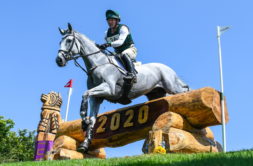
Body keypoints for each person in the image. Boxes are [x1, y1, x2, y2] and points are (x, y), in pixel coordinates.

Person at [99, 9, 137, 82]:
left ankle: (132, 75)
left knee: (124, 54)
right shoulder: (106, 33)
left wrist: (108, 44)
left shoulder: (123, 28)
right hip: (117, 53)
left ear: (117, 21)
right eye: (108, 20)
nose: (110, 22)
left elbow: (120, 42)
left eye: (112, 20)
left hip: (130, 50)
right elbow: (106, 44)